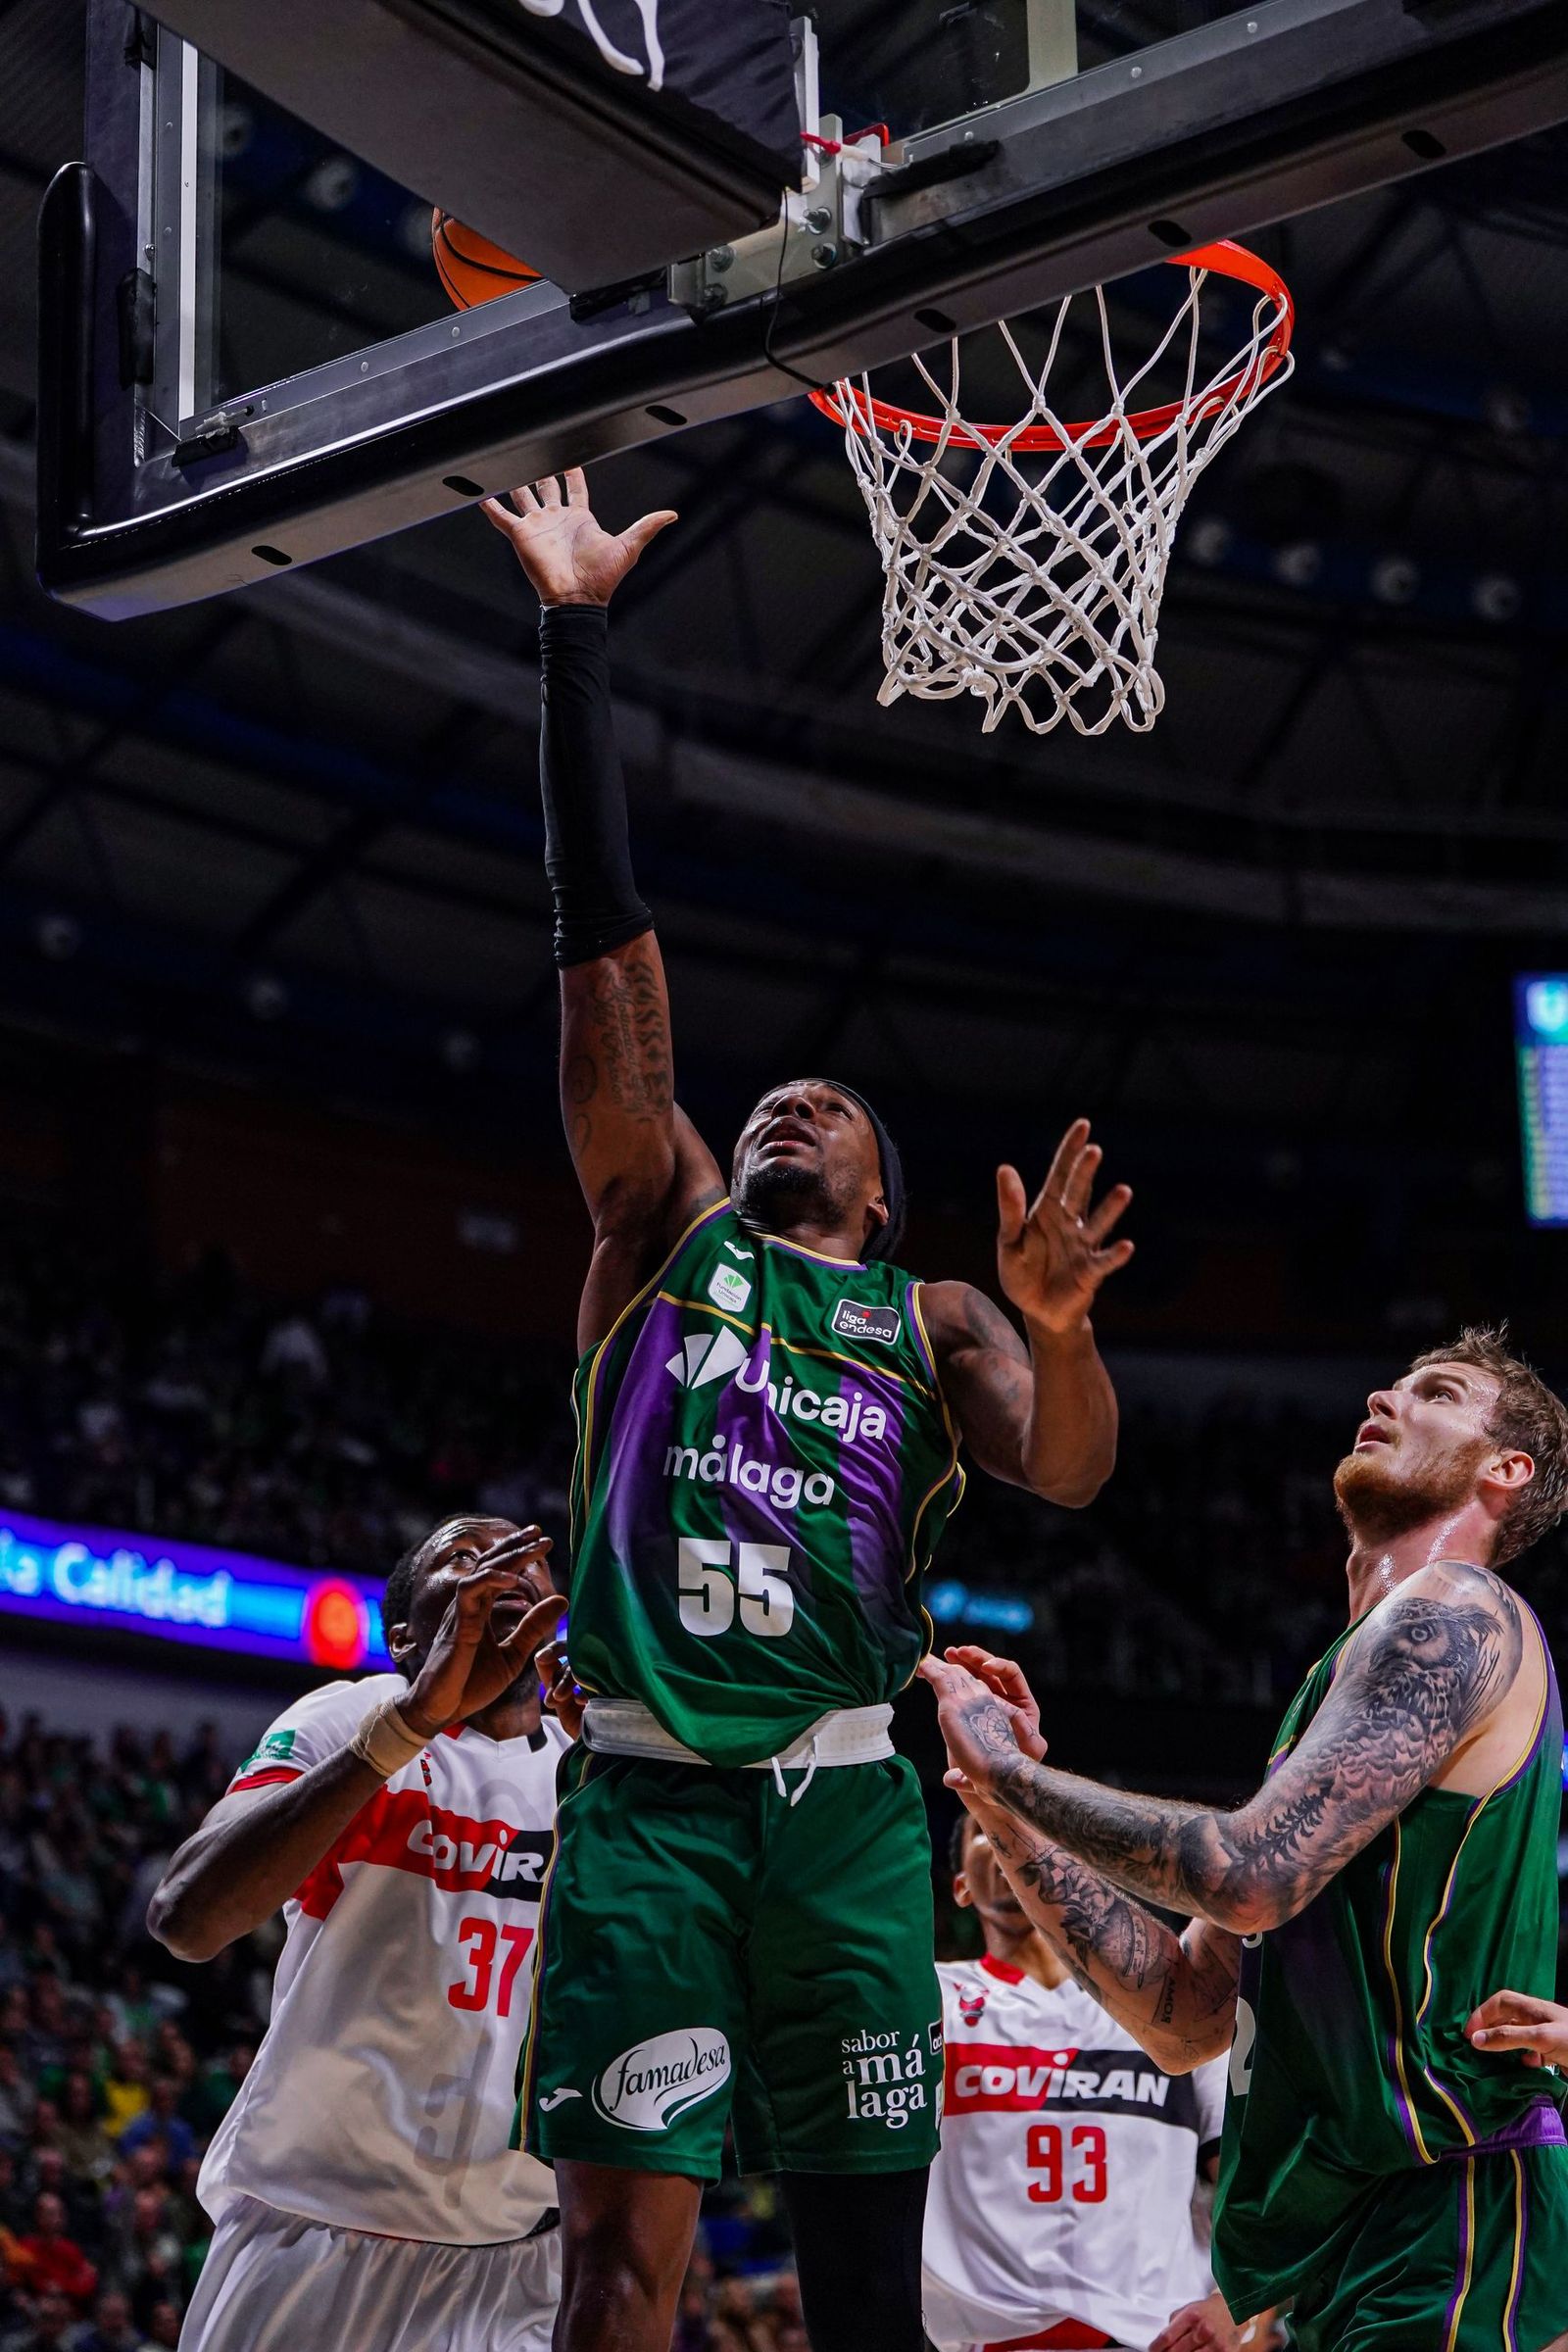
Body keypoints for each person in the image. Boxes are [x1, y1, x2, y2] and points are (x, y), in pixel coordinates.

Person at [482, 467, 1134, 2352]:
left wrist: (1062, 1331)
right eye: (773, 1097)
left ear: (886, 1184)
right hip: (643, 1806)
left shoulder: (929, 1313)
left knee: (863, 2296)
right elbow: (606, 974)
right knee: (615, 2271)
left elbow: (1071, 1473)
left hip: (848, 1816)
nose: (790, 1104)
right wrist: (575, 637)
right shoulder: (659, 1232)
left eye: (832, 1108)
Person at [921, 1329, 1568, 2352]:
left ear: (1506, 1469)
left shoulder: (1454, 1614)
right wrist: (1000, 1808)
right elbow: (1182, 2019)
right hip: (1334, 2236)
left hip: (1449, 2207)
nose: (1385, 1393)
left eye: (1435, 1391)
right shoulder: (1334, 1695)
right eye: (1391, 1379)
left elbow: (1247, 1876)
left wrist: (1020, 1778)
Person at [146, 1517, 567, 2352]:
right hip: (314, 2231)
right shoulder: (353, 1716)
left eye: (532, 1559)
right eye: (467, 1558)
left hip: (520, 2259)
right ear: (406, 1635)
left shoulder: (596, 1770)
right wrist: (407, 1725)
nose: (509, 1569)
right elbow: (190, 1918)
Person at [925, 1812, 1233, 2352]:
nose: (1011, 1842)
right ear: (960, 1888)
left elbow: (1256, 2189)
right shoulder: (931, 2001)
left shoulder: (1170, 2005)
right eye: (987, 1829)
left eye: (1030, 1829)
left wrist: (1240, 2306)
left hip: (1157, 2336)